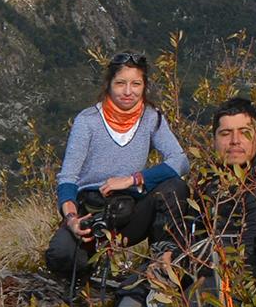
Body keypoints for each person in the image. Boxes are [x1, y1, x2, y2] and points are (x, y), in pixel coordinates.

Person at [48, 52, 191, 281]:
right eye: (120, 83)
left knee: (175, 187)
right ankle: (85, 287)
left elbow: (180, 161)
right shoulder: (87, 121)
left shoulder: (151, 118)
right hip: (93, 211)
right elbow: (68, 177)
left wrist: (134, 179)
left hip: (132, 210)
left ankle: (160, 265)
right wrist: (72, 219)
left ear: (144, 86)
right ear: (109, 85)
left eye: (136, 84)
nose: (128, 91)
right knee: (61, 254)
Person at [202, 95, 256, 268]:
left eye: (244, 133)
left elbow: (252, 248)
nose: (235, 141)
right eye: (225, 133)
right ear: (214, 140)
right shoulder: (206, 179)